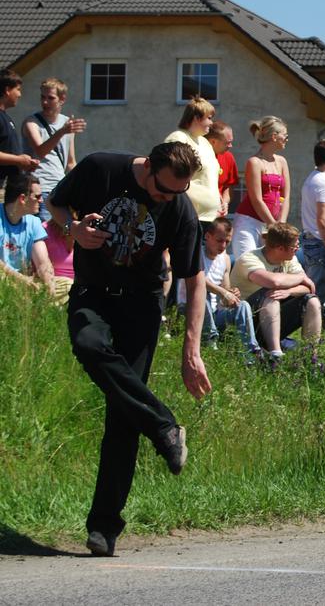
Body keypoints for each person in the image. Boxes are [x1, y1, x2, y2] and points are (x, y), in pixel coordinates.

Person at [47, 141, 210, 557]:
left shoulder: (180, 207)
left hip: (140, 304)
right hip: (93, 293)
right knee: (87, 343)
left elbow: (195, 281)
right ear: (147, 169)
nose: (170, 198)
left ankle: (104, 527)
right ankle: (163, 425)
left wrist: (191, 351)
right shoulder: (101, 168)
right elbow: (56, 203)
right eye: (164, 190)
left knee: (122, 417)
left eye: (180, 191)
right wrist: (74, 231)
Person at [231, 222, 321, 365]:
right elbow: (274, 282)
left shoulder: (289, 259)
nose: (298, 249)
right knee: (270, 293)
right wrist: (302, 277)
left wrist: (289, 291)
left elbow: (308, 288)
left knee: (312, 300)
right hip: (246, 323)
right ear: (280, 248)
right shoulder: (249, 259)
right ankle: (276, 355)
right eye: (294, 247)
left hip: (272, 318)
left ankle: (310, 357)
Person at [182, 217, 257, 357]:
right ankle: (211, 342)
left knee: (244, 305)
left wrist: (231, 293)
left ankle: (250, 351)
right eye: (219, 240)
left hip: (215, 313)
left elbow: (225, 292)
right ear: (207, 236)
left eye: (227, 242)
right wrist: (223, 292)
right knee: (201, 298)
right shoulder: (195, 254)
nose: (223, 246)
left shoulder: (226, 259)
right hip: (189, 310)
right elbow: (199, 280)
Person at [21, 77, 85, 220]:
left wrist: (79, 187)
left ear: (62, 99)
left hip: (59, 190)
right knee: (43, 236)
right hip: (39, 188)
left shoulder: (66, 123)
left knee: (60, 237)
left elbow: (70, 162)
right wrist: (62, 132)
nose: (45, 102)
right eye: (42, 97)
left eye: (50, 98)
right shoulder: (31, 122)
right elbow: (40, 151)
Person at [229, 117, 290, 262]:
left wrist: (281, 224)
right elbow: (256, 199)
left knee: (272, 267)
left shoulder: (282, 162)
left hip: (272, 224)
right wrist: (274, 225)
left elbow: (286, 197)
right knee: (248, 265)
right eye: (285, 135)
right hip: (249, 223)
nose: (287, 139)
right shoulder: (254, 162)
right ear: (274, 136)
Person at [299, 139, 325, 329]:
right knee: (317, 291)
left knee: (318, 289)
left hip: (313, 239)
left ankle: (318, 330)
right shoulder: (323, 183)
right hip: (320, 242)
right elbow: (322, 219)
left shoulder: (312, 178)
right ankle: (311, 331)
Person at [163, 95, 222, 229]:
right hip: (187, 216)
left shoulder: (205, 143)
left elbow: (209, 178)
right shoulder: (178, 138)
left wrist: (218, 200)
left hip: (208, 218)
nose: (212, 123)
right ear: (196, 117)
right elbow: (168, 177)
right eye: (209, 118)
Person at [0, 172, 55, 290]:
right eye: (38, 196)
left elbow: (43, 262)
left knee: (66, 285)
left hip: (25, 282)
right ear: (22, 198)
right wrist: (22, 279)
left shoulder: (34, 222)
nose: (41, 201)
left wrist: (49, 284)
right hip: (7, 279)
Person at [0, 72, 39, 195]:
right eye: (18, 90)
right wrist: (18, 160)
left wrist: (24, 161)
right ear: (7, 90)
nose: (20, 94)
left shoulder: (5, 117)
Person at [205, 120, 237, 216]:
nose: (230, 146)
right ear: (213, 141)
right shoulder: (198, 156)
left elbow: (228, 186)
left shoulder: (228, 157)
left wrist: (225, 203)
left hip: (218, 215)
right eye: (227, 143)